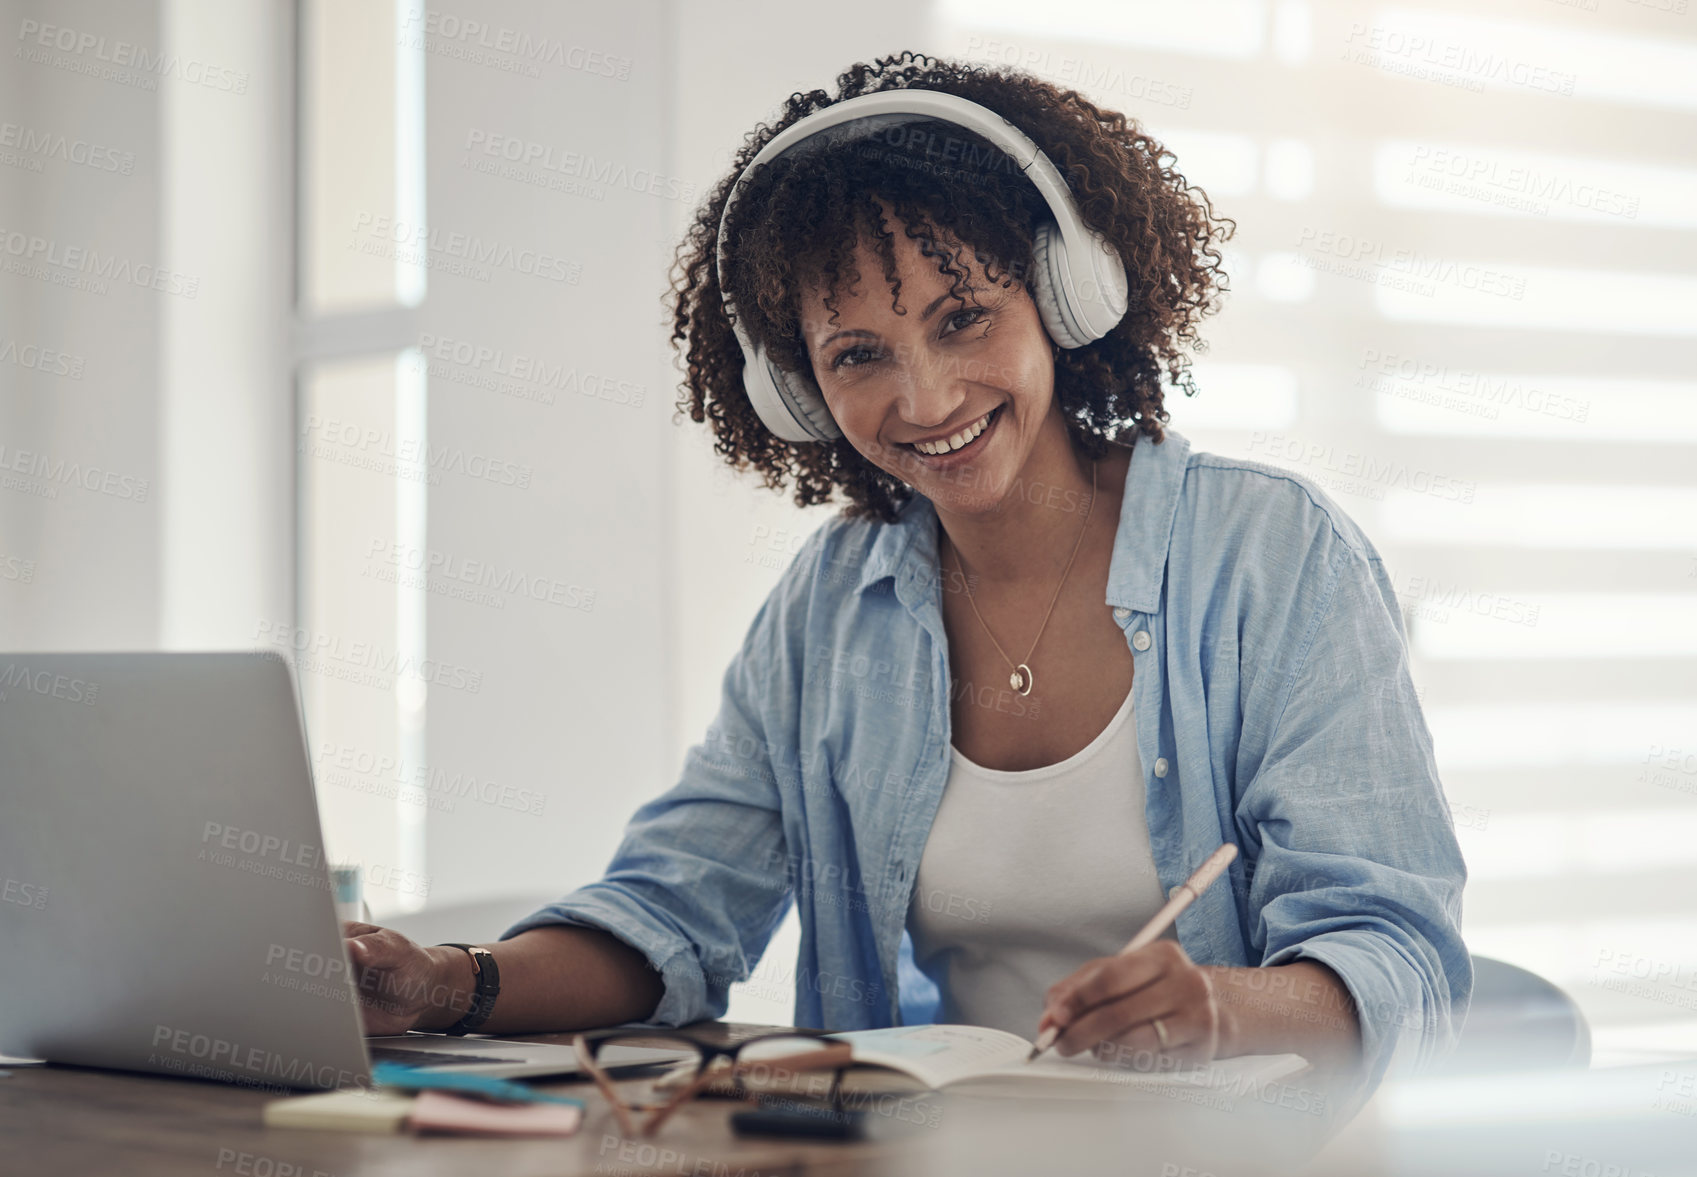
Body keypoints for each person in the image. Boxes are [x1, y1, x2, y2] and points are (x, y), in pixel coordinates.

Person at [341, 52, 1470, 1117]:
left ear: (1064, 298)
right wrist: (447, 982)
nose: (924, 398)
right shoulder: (832, 606)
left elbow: (1399, 959)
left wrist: (1218, 1008)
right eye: (856, 355)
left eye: (961, 317)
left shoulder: (1272, 558)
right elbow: (673, 910)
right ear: (795, 391)